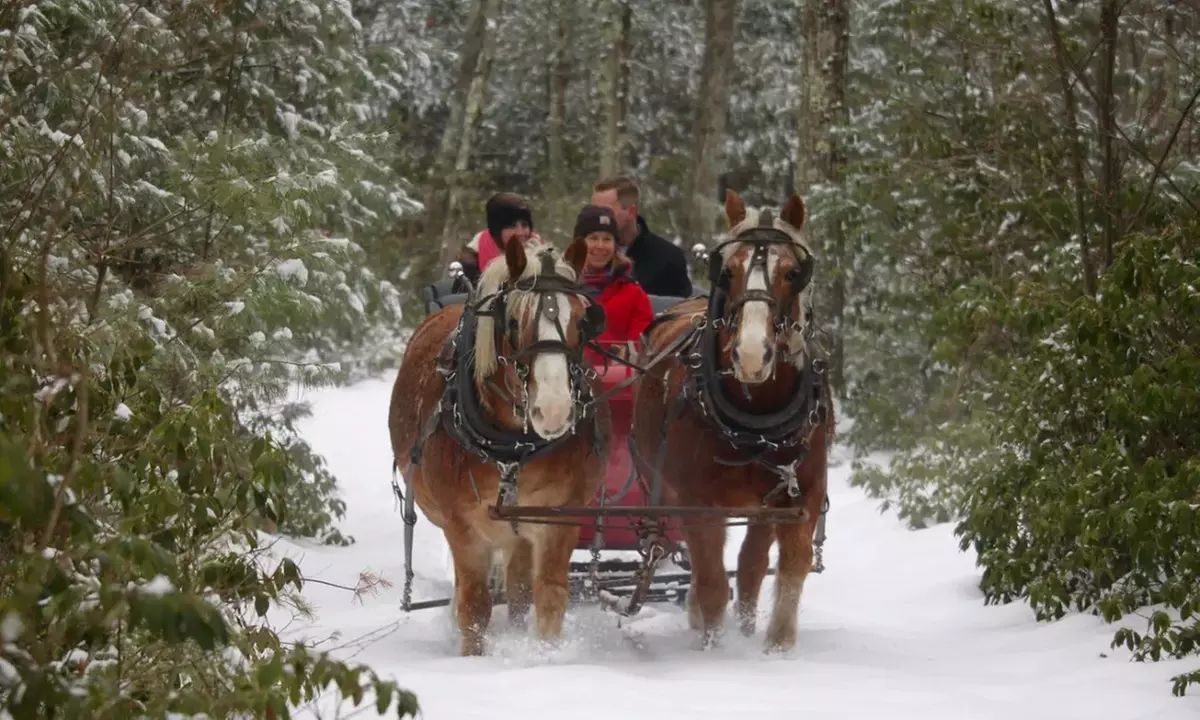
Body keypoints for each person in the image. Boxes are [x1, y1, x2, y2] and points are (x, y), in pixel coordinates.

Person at [566, 204, 653, 361]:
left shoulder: (634, 294)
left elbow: (640, 349)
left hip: (618, 380)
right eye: (593, 238)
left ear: (615, 246)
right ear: (578, 244)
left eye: (607, 239)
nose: (600, 246)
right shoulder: (562, 289)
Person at [590, 176, 693, 298]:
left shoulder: (666, 259)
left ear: (631, 211)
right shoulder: (584, 253)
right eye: (593, 211)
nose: (599, 219)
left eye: (606, 212)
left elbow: (681, 310)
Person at [453, 192, 543, 289]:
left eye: (524, 225)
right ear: (497, 231)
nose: (520, 232)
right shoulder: (471, 262)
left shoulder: (541, 254)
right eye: (511, 226)